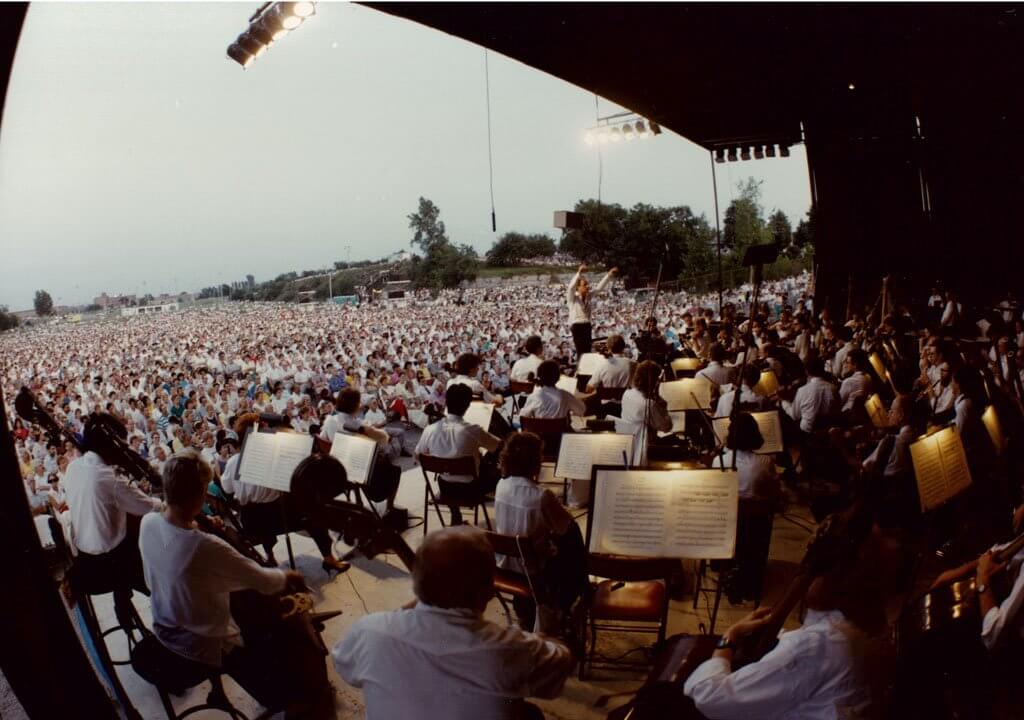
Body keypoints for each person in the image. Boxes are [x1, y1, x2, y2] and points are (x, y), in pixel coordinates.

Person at [138, 452, 327, 716]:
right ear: (200, 493)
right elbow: (264, 581)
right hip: (201, 643)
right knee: (270, 625)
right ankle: (285, 698)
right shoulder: (204, 546)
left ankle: (225, 688)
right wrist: (290, 577)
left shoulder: (148, 522)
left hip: (163, 624)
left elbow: (174, 534)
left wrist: (196, 524)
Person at [332, 526, 575, 720]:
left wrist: (421, 597)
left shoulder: (370, 632)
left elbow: (342, 662)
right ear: (487, 593)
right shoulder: (508, 650)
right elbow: (562, 661)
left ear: (417, 583)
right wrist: (548, 630)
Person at [684, 559, 878, 719]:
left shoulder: (814, 644)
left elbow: (710, 696)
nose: (807, 577)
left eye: (819, 572)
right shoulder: (848, 630)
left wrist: (729, 638)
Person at [64, 412, 162, 625]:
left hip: (84, 557)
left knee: (120, 524)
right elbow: (147, 507)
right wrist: (164, 502)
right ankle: (167, 610)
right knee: (160, 578)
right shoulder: (109, 478)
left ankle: (122, 600)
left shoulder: (72, 468)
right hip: (110, 564)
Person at [494, 432, 587, 633]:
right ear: (536, 462)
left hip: (505, 564)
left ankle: (529, 607)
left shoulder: (501, 485)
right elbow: (566, 527)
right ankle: (564, 604)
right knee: (574, 544)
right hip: (532, 569)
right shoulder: (542, 496)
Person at [415, 383, 502, 524]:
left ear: (446, 403)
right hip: (471, 489)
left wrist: (442, 457)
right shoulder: (473, 430)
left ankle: (455, 514)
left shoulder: (430, 429)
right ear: (467, 406)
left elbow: (418, 456)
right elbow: (498, 446)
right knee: (495, 468)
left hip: (445, 488)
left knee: (448, 473)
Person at [566, 263, 618, 356]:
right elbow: (570, 288)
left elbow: (599, 288)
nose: (588, 287)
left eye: (587, 285)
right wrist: (579, 273)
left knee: (587, 351)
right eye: (585, 285)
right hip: (577, 326)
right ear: (578, 287)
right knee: (580, 352)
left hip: (587, 325)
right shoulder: (572, 298)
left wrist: (608, 275)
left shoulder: (589, 296)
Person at [520, 360, 586, 420]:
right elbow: (582, 410)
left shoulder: (534, 396)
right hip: (560, 429)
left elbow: (523, 416)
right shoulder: (565, 395)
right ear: (558, 377)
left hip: (539, 429)